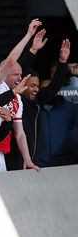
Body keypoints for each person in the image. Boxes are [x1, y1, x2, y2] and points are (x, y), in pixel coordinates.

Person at [0, 19, 43, 172]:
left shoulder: (17, 99)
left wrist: (27, 159)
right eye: (16, 74)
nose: (19, 78)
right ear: (4, 74)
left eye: (21, 74)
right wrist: (29, 35)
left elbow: (20, 133)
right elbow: (11, 60)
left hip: (0, 153)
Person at [6, 39, 71, 170]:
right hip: (16, 161)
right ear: (23, 85)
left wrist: (62, 62)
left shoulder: (37, 100)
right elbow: (21, 70)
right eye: (32, 86)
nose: (36, 89)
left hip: (34, 161)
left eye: (37, 85)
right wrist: (33, 50)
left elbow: (55, 86)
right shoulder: (15, 99)